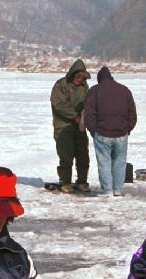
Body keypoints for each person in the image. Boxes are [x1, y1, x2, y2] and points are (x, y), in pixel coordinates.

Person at [83, 66, 137, 197]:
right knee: (120, 162)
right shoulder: (124, 90)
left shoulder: (94, 90)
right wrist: (127, 129)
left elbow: (89, 114)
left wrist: (93, 130)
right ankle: (117, 190)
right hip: (121, 133)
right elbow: (132, 113)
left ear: (99, 79)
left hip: (102, 133)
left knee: (104, 162)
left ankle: (107, 190)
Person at [50, 59, 91, 193]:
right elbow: (59, 105)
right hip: (63, 127)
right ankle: (65, 182)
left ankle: (82, 182)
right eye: (78, 76)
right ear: (73, 74)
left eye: (83, 77)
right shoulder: (60, 85)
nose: (80, 79)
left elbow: (89, 103)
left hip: (80, 126)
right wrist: (75, 116)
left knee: (83, 155)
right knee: (66, 157)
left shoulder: (85, 86)